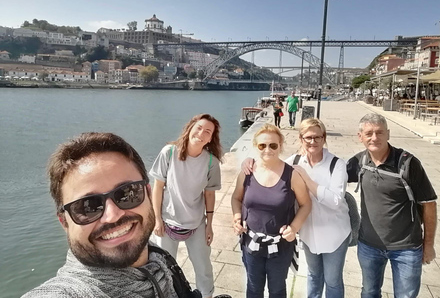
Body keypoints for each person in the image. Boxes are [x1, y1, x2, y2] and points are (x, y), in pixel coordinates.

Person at [22, 132, 183, 297]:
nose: (112, 215)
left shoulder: (159, 259)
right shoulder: (67, 292)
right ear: (64, 222)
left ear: (148, 195)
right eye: (87, 206)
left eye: (128, 193)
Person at [241, 118, 351, 298]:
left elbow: (335, 201)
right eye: (308, 138)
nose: (312, 142)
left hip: (334, 233)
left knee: (332, 281)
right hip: (309, 233)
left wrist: (307, 179)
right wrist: (248, 160)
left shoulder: (336, 165)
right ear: (301, 139)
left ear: (324, 139)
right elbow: (272, 162)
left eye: (317, 137)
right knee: (314, 276)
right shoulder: (295, 160)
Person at [346, 113, 437, 298]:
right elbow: (329, 178)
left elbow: (429, 204)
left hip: (406, 248)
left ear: (388, 134)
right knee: (369, 292)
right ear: (360, 136)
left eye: (379, 132)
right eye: (369, 133)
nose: (374, 138)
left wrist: (428, 245)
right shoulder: (359, 162)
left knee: (405, 295)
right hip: (369, 245)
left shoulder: (408, 163)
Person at [232, 123, 311, 298]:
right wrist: (237, 218)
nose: (268, 149)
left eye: (273, 145)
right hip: (251, 243)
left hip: (280, 246)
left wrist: (294, 228)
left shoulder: (291, 175)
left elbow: (306, 204)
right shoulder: (247, 172)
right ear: (256, 147)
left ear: (280, 146)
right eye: (262, 145)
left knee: (277, 290)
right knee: (253, 288)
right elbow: (236, 198)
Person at [150, 114, 222, 298]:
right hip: (167, 222)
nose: (201, 133)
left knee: (203, 268)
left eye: (208, 132)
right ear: (190, 128)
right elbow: (157, 187)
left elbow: (209, 194)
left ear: (210, 138)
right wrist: (157, 219)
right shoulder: (169, 152)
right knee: (164, 269)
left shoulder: (211, 162)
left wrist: (210, 225)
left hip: (196, 223)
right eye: (199, 128)